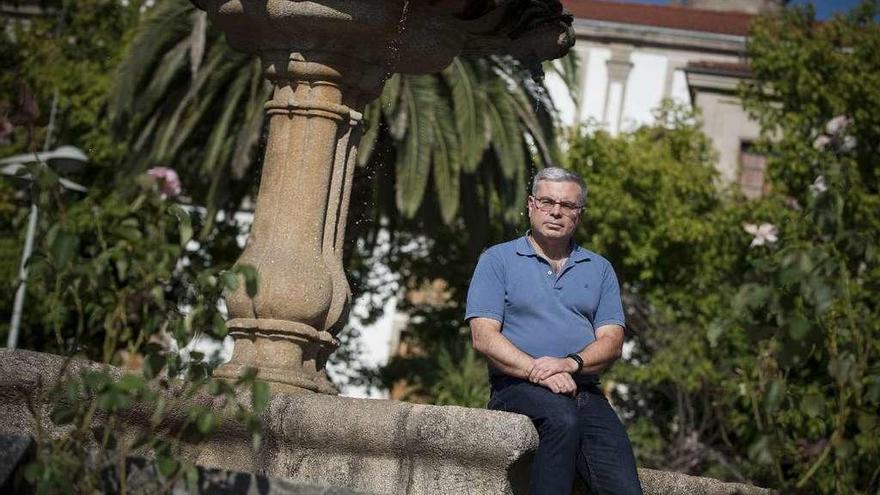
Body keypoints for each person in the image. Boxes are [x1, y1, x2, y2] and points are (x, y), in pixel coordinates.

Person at [465, 167, 643, 495]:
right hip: (516, 385)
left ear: (580, 215)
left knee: (624, 486)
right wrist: (539, 371)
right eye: (547, 202)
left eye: (568, 206)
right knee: (561, 420)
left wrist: (569, 364)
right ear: (531, 205)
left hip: (583, 390)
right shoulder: (498, 259)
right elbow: (484, 337)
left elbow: (612, 341)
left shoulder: (599, 268)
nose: (556, 211)